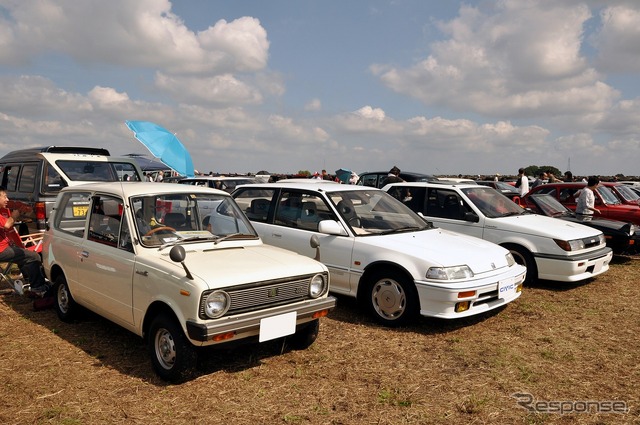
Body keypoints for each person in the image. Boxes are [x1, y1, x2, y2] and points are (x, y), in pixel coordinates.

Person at [0, 187, 48, 296]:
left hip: (5, 246)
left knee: (23, 254)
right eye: (4, 197)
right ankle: (38, 288)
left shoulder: (2, 210)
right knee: (33, 257)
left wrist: (22, 213)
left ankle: (29, 281)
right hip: (1, 250)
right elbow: (7, 225)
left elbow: (8, 224)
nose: (7, 199)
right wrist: (15, 215)